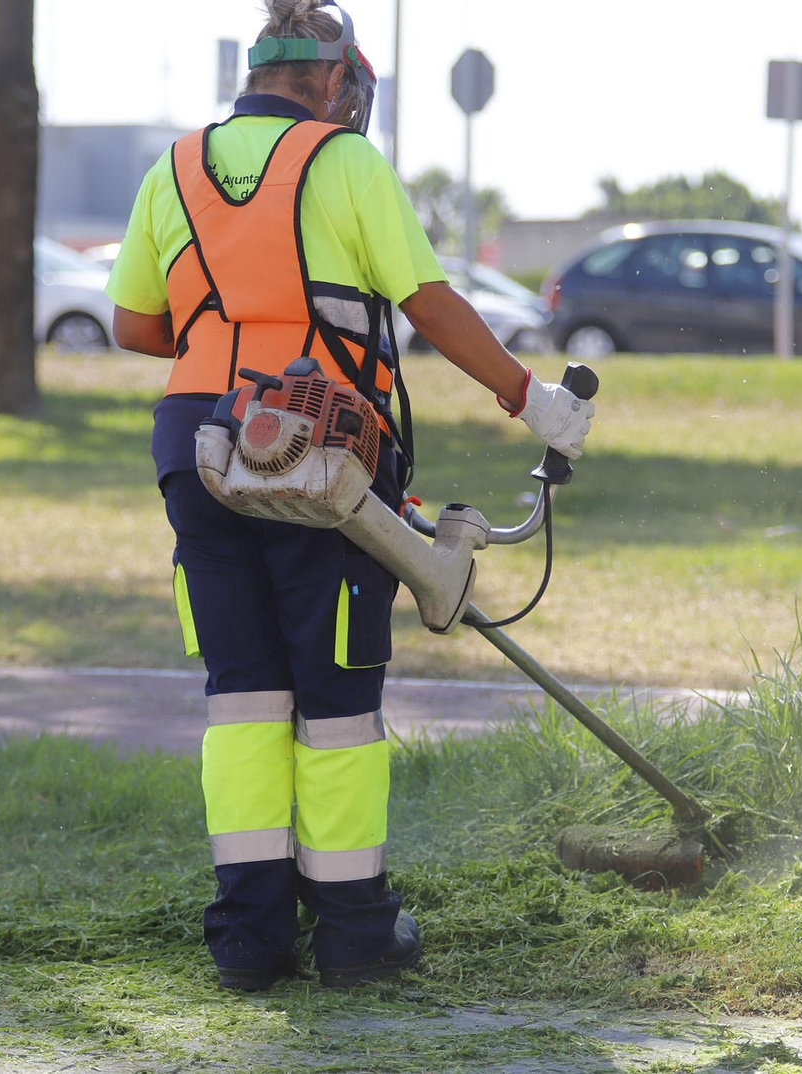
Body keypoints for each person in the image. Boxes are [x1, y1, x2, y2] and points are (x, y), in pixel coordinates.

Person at [105, 0, 594, 992]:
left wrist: (226, 330)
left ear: (255, 74)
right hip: (316, 450)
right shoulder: (347, 163)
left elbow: (130, 323)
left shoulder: (176, 166)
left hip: (194, 446)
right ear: (333, 83)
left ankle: (248, 939)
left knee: (242, 696)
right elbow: (428, 301)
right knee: (333, 700)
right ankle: (354, 933)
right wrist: (527, 397)